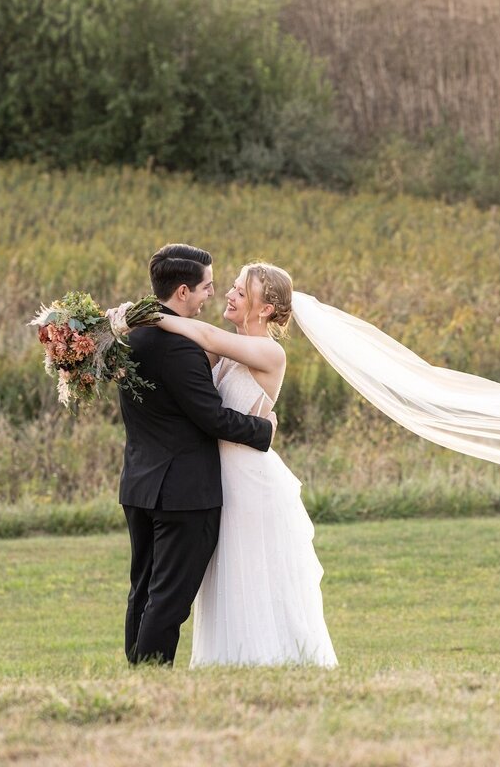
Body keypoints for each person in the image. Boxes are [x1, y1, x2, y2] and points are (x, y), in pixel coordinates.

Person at [111, 261, 337, 667]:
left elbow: (201, 333)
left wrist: (138, 314)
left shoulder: (267, 350)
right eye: (229, 287)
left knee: (254, 574)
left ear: (265, 308)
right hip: (215, 478)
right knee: (224, 580)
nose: (227, 296)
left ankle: (270, 658)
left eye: (238, 291)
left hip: (249, 479)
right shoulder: (222, 352)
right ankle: (228, 661)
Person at [116, 244, 275, 666]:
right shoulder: (183, 348)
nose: (213, 295)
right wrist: (266, 430)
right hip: (184, 492)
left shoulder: (131, 338)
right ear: (183, 291)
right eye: (207, 287)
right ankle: (150, 677)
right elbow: (212, 417)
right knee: (168, 598)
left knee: (144, 589)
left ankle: (136, 672)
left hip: (139, 483)